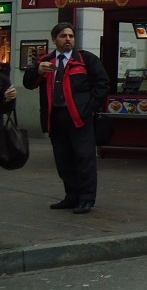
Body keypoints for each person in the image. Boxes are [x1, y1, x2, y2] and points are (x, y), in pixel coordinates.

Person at [23, 22, 110, 213]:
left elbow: (103, 84)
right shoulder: (45, 62)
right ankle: (71, 196)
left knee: (84, 158)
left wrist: (89, 108)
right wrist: (36, 71)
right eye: (63, 36)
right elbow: (28, 83)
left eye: (70, 36)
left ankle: (87, 199)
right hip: (55, 117)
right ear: (54, 39)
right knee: (63, 160)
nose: (68, 39)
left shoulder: (85, 59)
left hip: (79, 118)